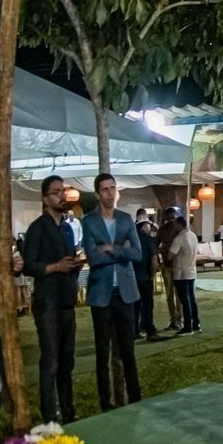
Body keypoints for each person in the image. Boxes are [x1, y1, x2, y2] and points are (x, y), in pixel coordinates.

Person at [81, 173, 143, 411]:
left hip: (125, 293)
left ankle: (135, 399)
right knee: (102, 353)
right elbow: (93, 258)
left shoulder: (126, 220)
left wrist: (110, 248)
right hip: (101, 294)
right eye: (105, 189)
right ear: (97, 194)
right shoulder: (89, 222)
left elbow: (137, 254)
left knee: (128, 351)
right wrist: (121, 250)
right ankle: (106, 404)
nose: (109, 193)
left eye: (112, 188)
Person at [22, 176, 82, 423]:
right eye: (56, 192)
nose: (62, 196)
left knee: (67, 361)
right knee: (51, 361)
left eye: (63, 191)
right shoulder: (38, 228)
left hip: (66, 300)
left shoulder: (66, 228)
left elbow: (68, 261)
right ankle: (49, 416)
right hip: (47, 302)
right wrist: (56, 266)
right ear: (45, 198)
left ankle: (68, 411)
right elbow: (28, 266)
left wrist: (74, 265)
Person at [167, 212, 200, 334]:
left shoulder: (180, 237)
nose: (173, 226)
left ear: (180, 224)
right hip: (192, 271)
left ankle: (187, 327)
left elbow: (170, 255)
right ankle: (195, 323)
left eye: (175, 224)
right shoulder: (193, 235)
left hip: (181, 273)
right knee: (191, 299)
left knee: (185, 301)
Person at [155, 207, 184, 330]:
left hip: (177, 265)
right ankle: (173, 319)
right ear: (166, 217)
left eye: (173, 217)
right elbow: (155, 245)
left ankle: (179, 319)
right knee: (169, 295)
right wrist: (158, 260)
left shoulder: (180, 230)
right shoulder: (162, 230)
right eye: (170, 217)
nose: (172, 220)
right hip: (166, 265)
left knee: (178, 295)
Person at [133, 211, 160, 341]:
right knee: (148, 305)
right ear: (144, 226)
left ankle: (134, 331)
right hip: (144, 277)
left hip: (132, 278)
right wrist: (152, 275)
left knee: (135, 305)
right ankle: (149, 330)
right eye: (149, 225)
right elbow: (154, 262)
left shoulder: (131, 238)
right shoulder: (149, 240)